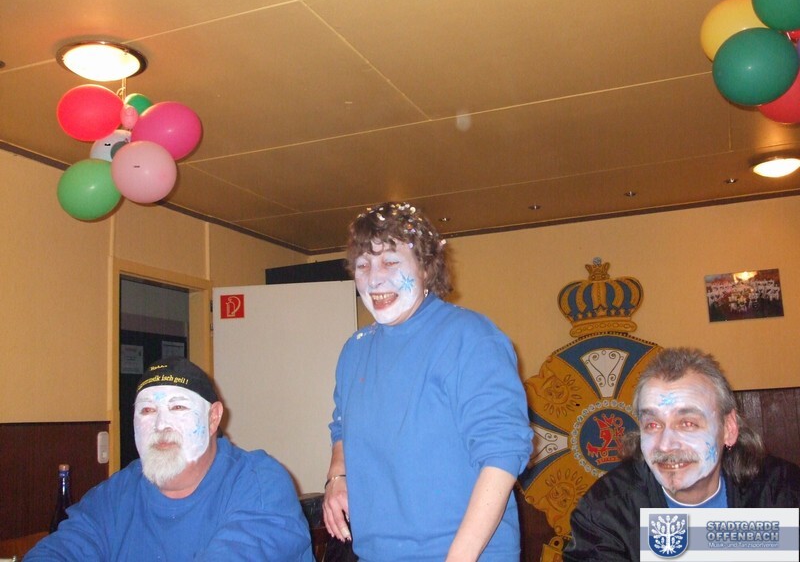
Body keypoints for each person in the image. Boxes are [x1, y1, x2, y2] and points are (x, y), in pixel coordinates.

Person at [322, 202, 533, 561]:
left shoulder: (470, 337)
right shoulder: (354, 351)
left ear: (425, 266)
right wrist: (337, 477)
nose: (374, 279)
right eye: (363, 265)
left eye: (390, 262)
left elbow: (502, 455)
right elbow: (341, 426)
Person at [27, 357, 313, 561]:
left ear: (213, 418)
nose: (160, 425)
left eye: (177, 407)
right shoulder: (115, 494)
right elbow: (60, 549)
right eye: (147, 411)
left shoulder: (260, 483)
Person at [563, 347, 800, 562]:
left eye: (687, 423)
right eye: (653, 425)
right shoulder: (606, 511)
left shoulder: (783, 493)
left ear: (728, 429)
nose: (666, 446)